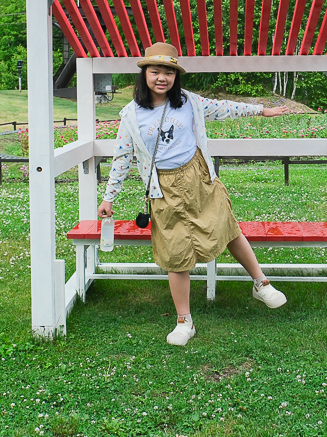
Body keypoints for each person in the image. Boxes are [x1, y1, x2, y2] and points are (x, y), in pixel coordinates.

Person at [98, 42, 291, 346]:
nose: (162, 78)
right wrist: (109, 197)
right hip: (163, 189)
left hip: (199, 178)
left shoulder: (189, 102)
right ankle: (184, 321)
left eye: (168, 72)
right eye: (155, 71)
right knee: (176, 254)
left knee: (227, 229)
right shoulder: (130, 115)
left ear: (176, 76)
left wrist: (261, 110)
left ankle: (261, 283)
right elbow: (122, 156)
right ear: (144, 74)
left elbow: (224, 107)